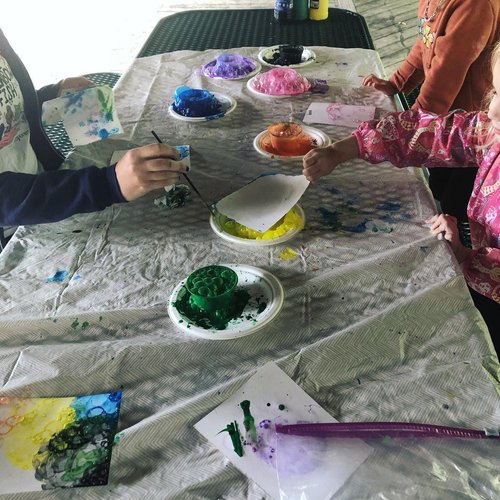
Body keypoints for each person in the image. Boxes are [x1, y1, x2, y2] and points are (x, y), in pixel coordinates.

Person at [302, 41, 500, 351]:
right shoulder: (493, 132)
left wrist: (466, 256)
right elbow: (431, 134)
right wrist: (344, 150)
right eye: (496, 92)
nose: (491, 111)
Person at [0, 28, 186, 248]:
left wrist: (50, 94)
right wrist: (107, 184)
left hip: (47, 182)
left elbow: (11, 107)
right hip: (17, 224)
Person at [362, 0, 500, 222]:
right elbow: (425, 43)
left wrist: (405, 134)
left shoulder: (475, 6)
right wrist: (396, 83)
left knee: (454, 205)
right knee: (434, 187)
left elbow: (441, 84)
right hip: (443, 126)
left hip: (470, 136)